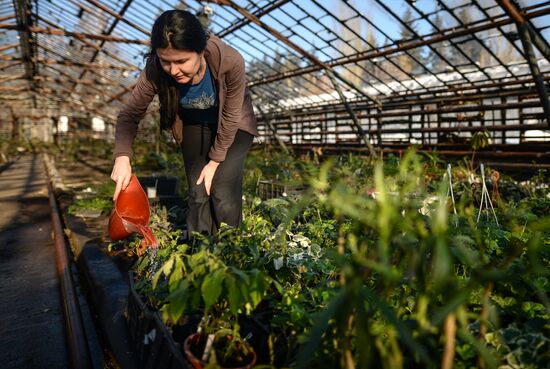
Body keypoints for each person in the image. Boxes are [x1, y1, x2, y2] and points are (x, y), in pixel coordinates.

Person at [111, 9, 258, 236]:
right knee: (198, 192)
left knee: (221, 188)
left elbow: (230, 116)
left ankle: (231, 252)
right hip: (194, 124)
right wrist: (122, 157)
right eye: (166, 62)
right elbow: (129, 114)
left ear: (200, 50)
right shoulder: (154, 69)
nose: (174, 70)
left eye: (181, 61)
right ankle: (200, 250)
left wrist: (214, 162)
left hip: (234, 124)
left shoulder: (229, 60)